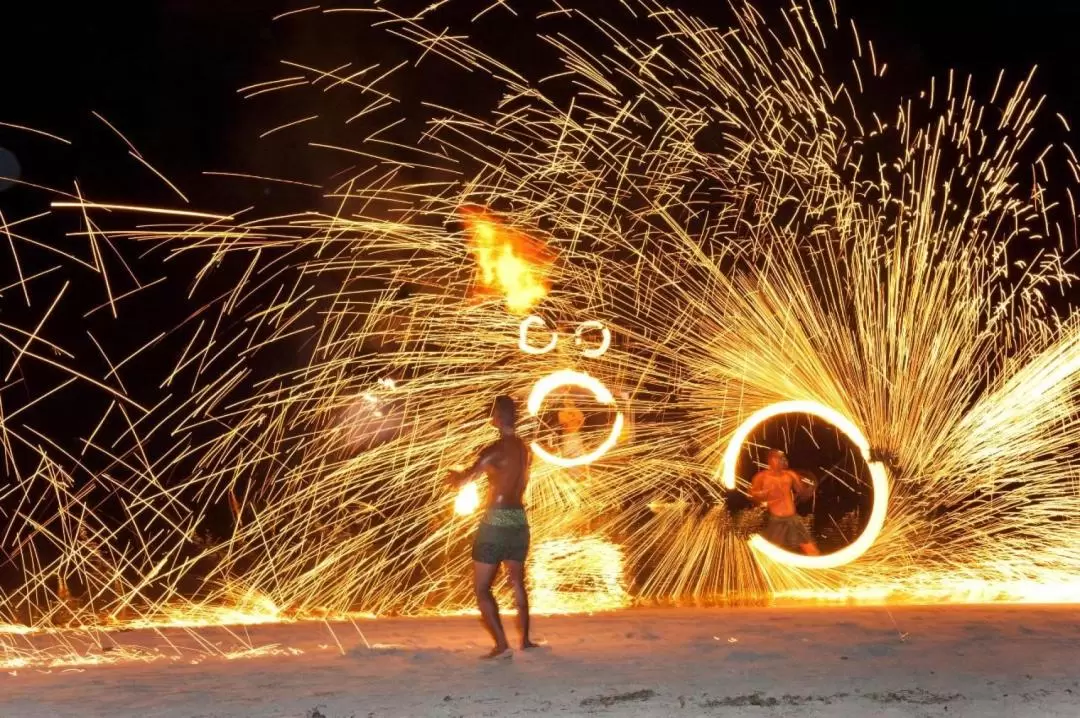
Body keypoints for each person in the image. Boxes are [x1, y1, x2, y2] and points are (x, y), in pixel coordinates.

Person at [448, 395, 539, 658]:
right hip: (518, 519)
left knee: (482, 587)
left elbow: (466, 480)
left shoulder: (492, 451)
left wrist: (455, 477)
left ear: (496, 419)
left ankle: (501, 645)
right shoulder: (525, 449)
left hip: (496, 519)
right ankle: (526, 640)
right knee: (517, 582)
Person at [749, 449, 820, 555]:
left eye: (784, 458)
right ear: (771, 460)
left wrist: (809, 488)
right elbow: (752, 494)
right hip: (776, 520)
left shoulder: (790, 475)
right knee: (772, 552)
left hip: (792, 519)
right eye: (780, 458)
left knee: (811, 549)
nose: (784, 460)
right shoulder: (761, 477)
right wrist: (764, 494)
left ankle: (819, 569)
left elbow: (801, 492)